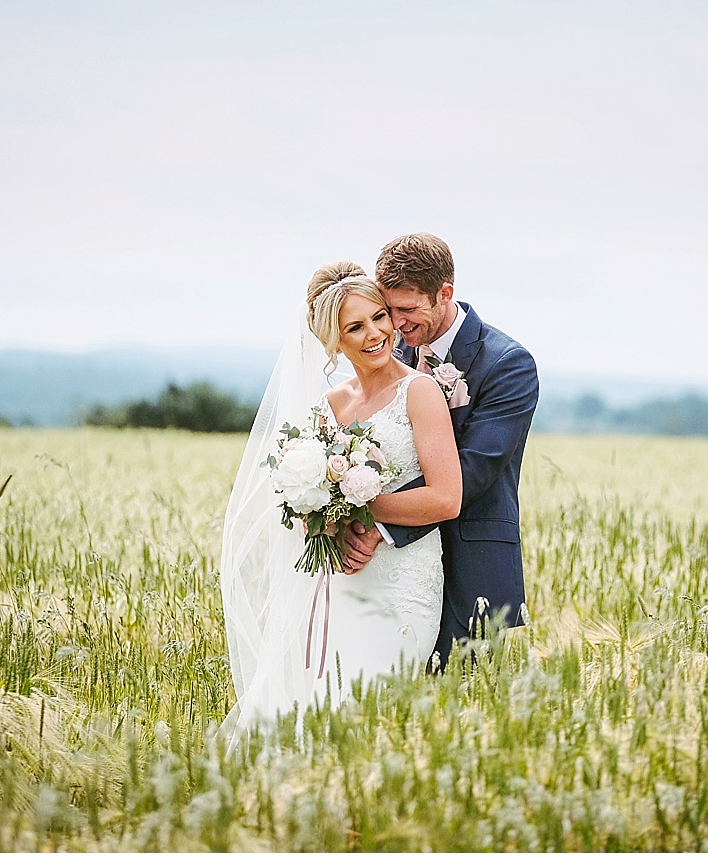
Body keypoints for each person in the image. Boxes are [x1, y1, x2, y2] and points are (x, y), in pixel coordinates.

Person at [220, 261, 462, 735]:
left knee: (375, 714)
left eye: (379, 317)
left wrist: (359, 508)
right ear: (334, 340)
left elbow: (446, 498)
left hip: (403, 583)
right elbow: (309, 502)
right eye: (356, 326)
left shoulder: (420, 391)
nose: (376, 334)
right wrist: (326, 517)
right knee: (326, 711)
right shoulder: (332, 406)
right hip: (339, 586)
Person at [342, 233, 539, 669]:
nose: (394, 322)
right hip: (386, 572)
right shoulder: (387, 349)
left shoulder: (508, 364)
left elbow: (472, 471)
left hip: (470, 563)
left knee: (457, 713)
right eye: (387, 309)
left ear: (445, 293)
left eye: (407, 310)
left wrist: (374, 520)